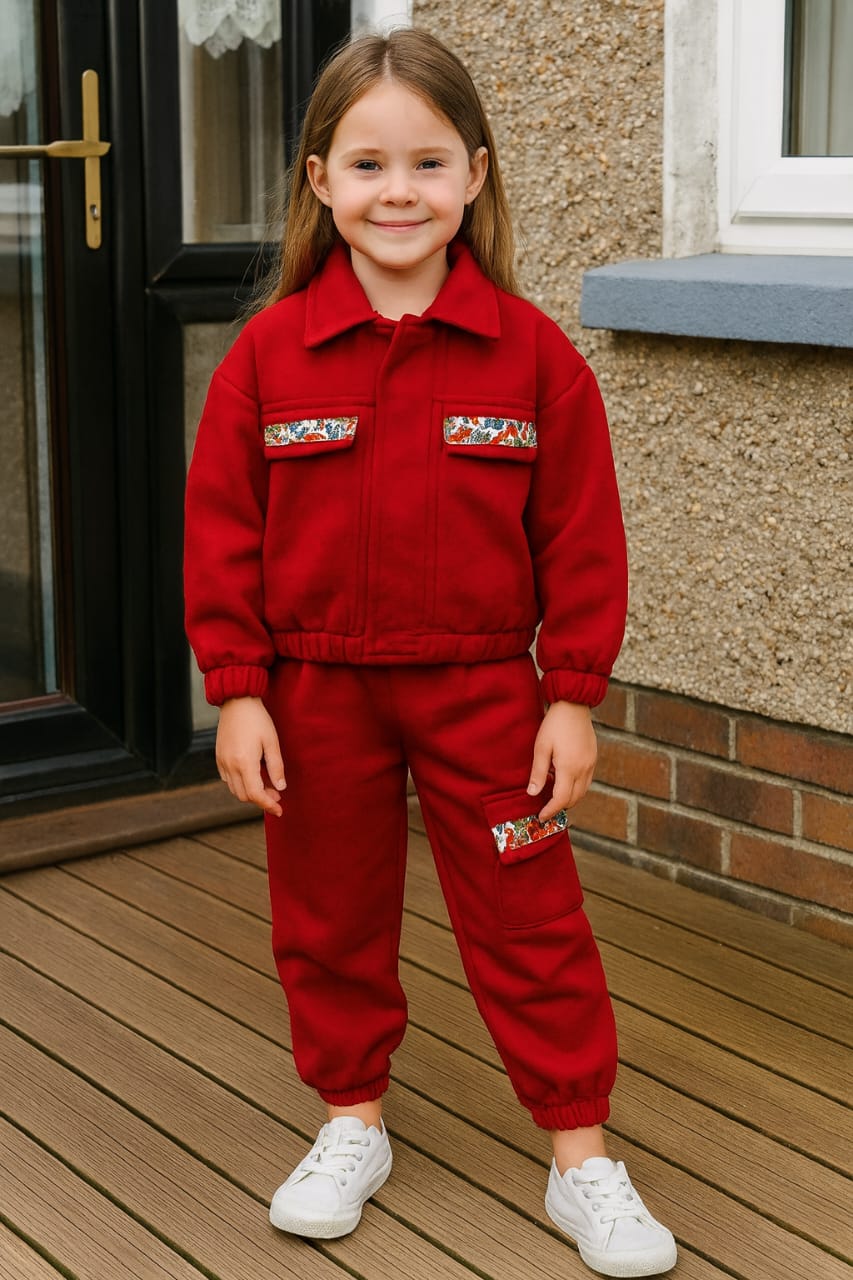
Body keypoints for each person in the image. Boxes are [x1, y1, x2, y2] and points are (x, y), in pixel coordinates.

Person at [184, 27, 677, 1279]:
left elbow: (582, 541)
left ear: (475, 174)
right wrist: (238, 692)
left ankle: (579, 1154)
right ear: (319, 181)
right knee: (328, 915)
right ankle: (351, 1121)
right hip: (317, 696)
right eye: (366, 164)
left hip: (485, 697)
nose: (396, 191)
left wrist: (570, 696)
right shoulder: (266, 358)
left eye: (426, 162)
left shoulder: (532, 357)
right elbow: (222, 537)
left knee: (531, 917)